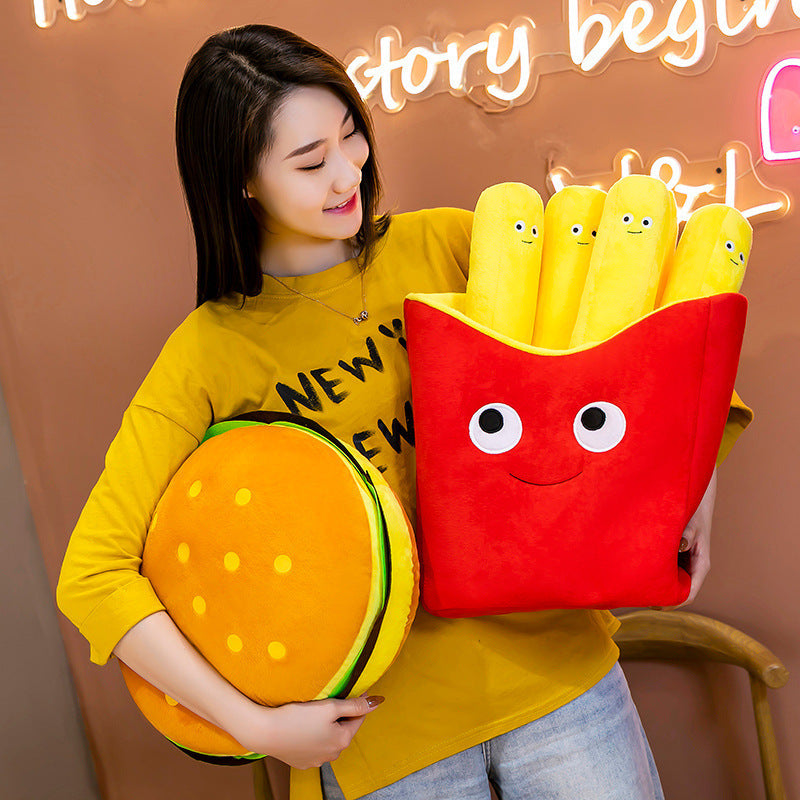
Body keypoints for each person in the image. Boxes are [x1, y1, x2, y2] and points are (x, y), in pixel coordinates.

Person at [57, 24, 749, 800]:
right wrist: (255, 727)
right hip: (386, 743)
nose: (346, 172)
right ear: (241, 181)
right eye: (309, 161)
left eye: (349, 136)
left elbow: (644, 359)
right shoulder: (210, 352)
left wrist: (694, 498)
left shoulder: (452, 247)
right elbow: (94, 575)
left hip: (559, 685)